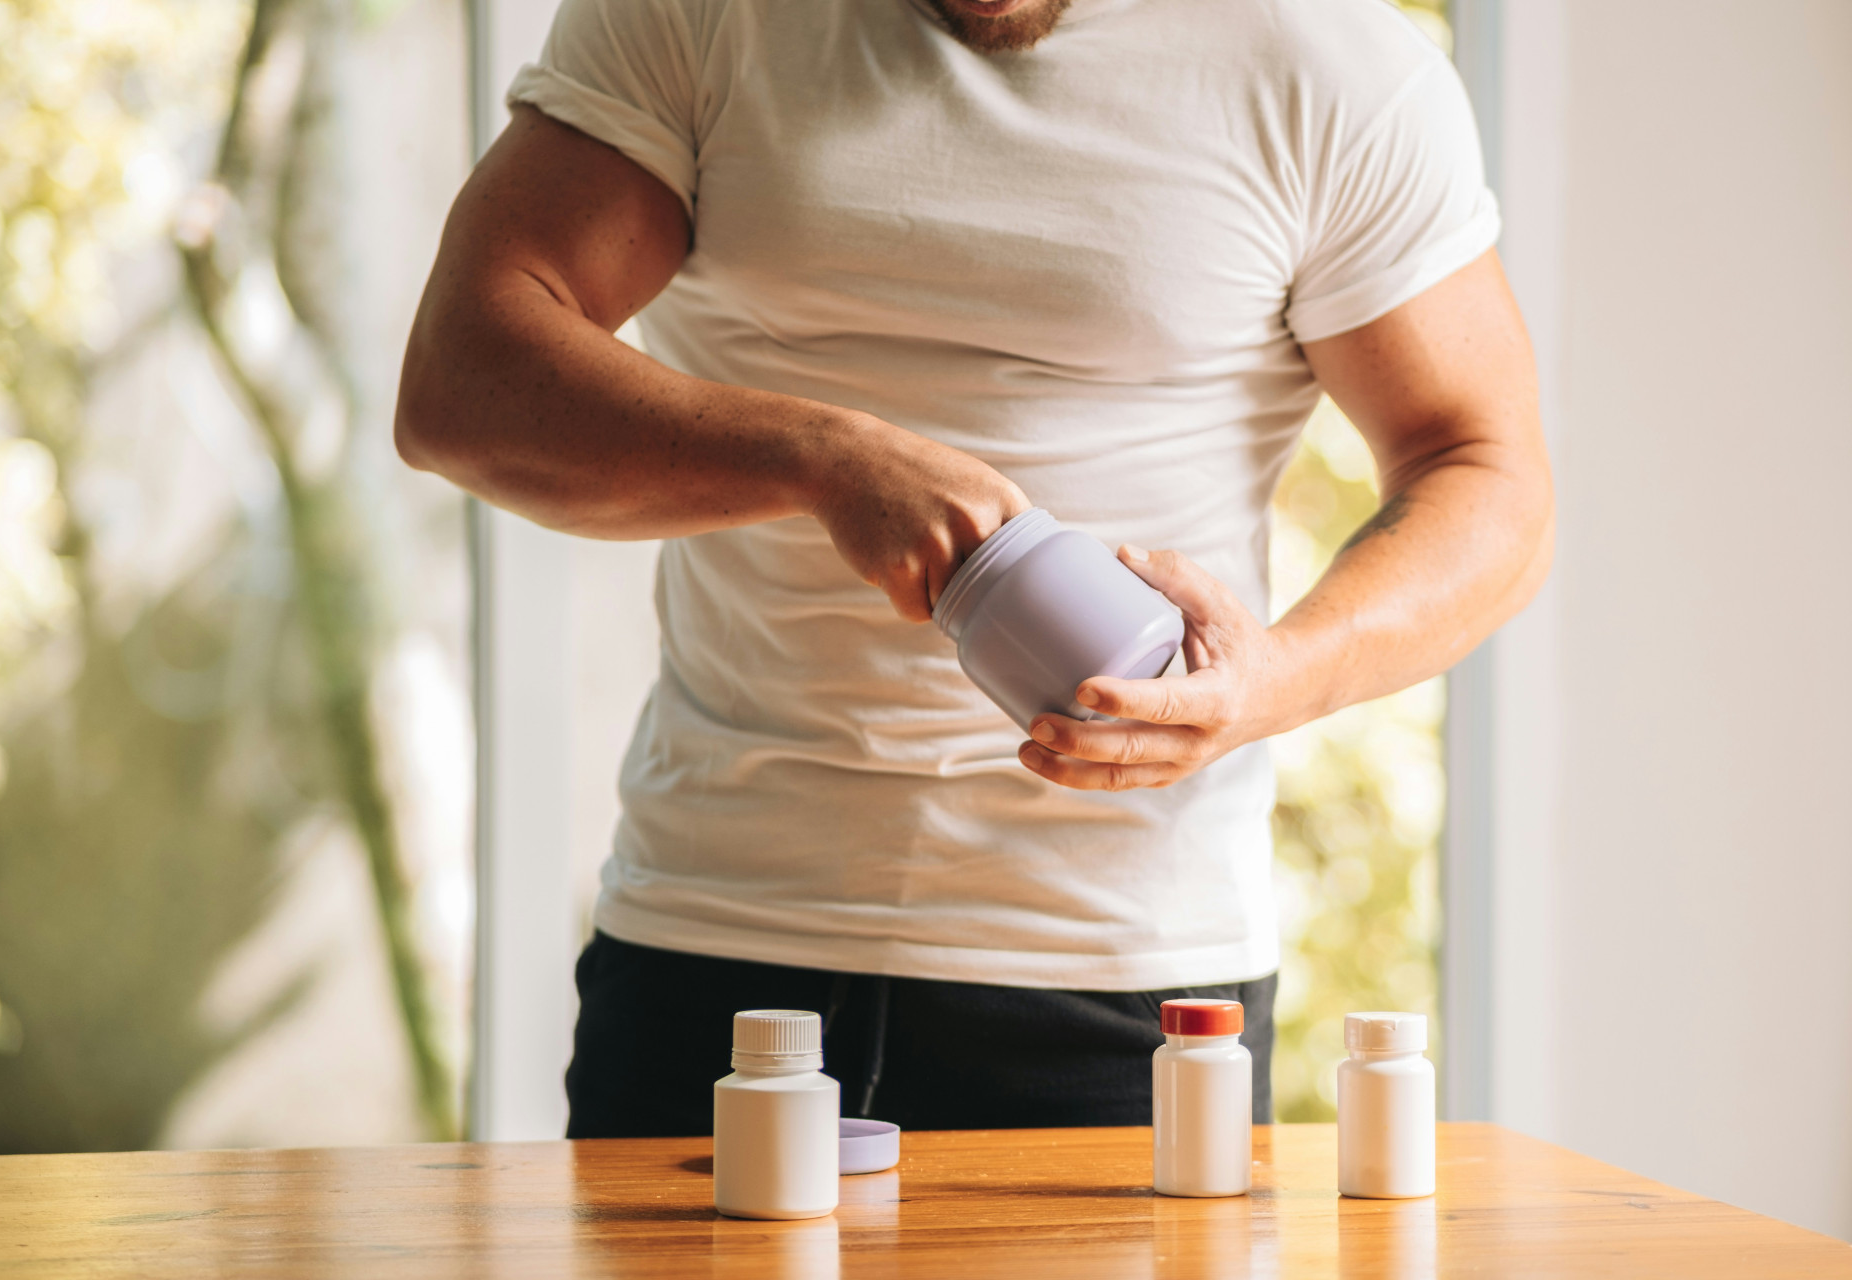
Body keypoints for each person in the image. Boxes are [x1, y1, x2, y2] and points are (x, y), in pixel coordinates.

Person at [395, 0, 1552, 1136]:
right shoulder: (698, 17)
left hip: (1126, 974)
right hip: (718, 940)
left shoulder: (1330, 64)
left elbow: (1488, 474)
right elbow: (461, 378)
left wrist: (1277, 679)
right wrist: (821, 457)